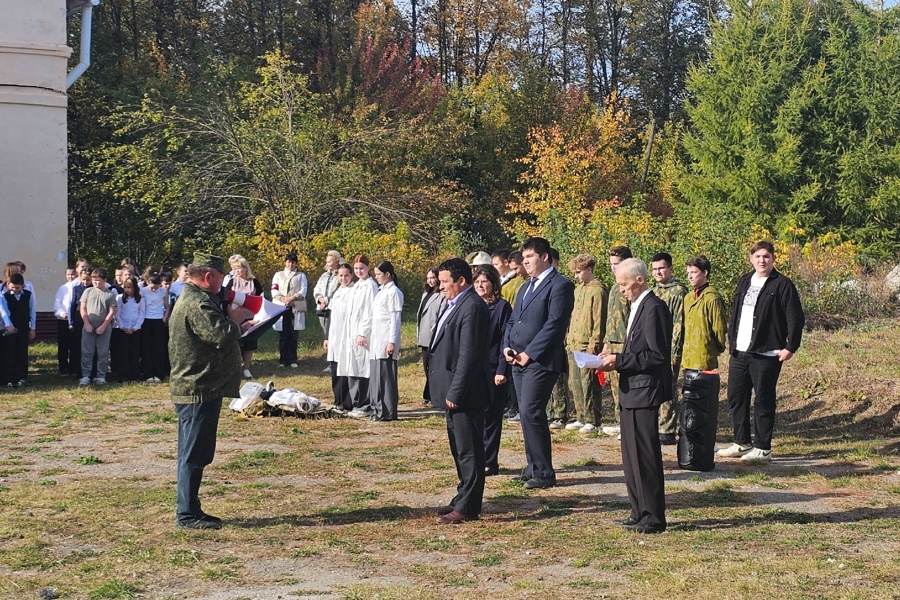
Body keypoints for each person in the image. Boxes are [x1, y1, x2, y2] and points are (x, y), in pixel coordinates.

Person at [169, 252, 244, 530]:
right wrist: (236, 321)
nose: (223, 282)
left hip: (200, 387)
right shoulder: (197, 303)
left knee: (195, 452)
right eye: (221, 277)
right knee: (193, 454)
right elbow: (220, 334)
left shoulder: (195, 299)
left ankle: (192, 508)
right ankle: (187, 514)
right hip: (197, 389)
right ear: (209, 276)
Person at [598, 258, 671, 534]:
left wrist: (620, 360)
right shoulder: (637, 306)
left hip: (644, 390)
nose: (621, 290)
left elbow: (656, 355)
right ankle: (638, 510)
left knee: (645, 455)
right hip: (631, 390)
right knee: (630, 455)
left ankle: (653, 516)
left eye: (624, 284)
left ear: (640, 280)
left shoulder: (654, 307)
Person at [718, 241, 805, 462]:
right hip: (740, 352)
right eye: (757, 256)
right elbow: (735, 314)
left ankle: (762, 447)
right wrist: (732, 342)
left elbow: (795, 317)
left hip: (767, 352)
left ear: (773, 259)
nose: (762, 260)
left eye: (766, 256)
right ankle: (742, 442)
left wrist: (790, 347)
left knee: (763, 400)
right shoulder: (745, 281)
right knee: (736, 397)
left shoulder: (783, 285)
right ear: (751, 259)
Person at [502, 237, 575, 489]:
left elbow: (554, 325)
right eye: (523, 258)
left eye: (530, 257)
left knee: (533, 411)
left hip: (541, 361)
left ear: (544, 256)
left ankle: (544, 472)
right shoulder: (525, 287)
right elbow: (513, 320)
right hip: (517, 359)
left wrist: (529, 354)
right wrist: (508, 347)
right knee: (525, 414)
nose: (525, 262)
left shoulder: (560, 285)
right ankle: (532, 466)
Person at [430, 257, 492, 524]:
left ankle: (468, 506)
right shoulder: (456, 304)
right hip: (454, 391)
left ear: (461, 281)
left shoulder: (473, 307)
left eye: (445, 282)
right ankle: (463, 495)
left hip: (467, 393)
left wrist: (456, 391)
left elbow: (469, 355)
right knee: (459, 449)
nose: (440, 287)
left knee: (470, 451)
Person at [472, 264, 511, 477]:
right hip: (475, 370)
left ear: (493, 284)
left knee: (492, 419)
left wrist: (502, 371)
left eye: (483, 282)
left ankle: (490, 461)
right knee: (477, 418)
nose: (479, 285)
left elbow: (506, 338)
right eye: (476, 282)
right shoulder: (472, 305)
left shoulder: (502, 307)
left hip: (495, 369)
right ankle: (477, 458)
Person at [565, 253, 608, 434]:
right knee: (574, 383)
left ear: (589, 270)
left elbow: (599, 320)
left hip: (587, 344)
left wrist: (594, 343)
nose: (576, 276)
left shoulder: (598, 291)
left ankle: (592, 419)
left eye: (578, 272)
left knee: (588, 383)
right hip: (574, 342)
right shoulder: (578, 290)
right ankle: (581, 416)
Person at [650, 252, 689, 445]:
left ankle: (668, 428)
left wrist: (673, 352)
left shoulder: (678, 291)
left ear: (671, 269)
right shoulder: (653, 290)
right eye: (655, 269)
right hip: (652, 349)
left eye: (662, 268)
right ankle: (656, 424)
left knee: (668, 386)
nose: (658, 272)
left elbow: (678, 324)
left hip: (669, 348)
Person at [600, 246, 632, 437]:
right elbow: (611, 318)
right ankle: (619, 422)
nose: (613, 268)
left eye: (617, 264)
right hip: (612, 342)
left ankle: (628, 424)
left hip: (625, 343)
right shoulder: (614, 288)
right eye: (611, 264)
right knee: (614, 388)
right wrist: (606, 342)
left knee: (625, 387)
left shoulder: (630, 287)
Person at [368, 261, 404, 421]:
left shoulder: (394, 292)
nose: (376, 278)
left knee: (386, 377)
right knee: (376, 377)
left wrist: (392, 341)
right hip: (376, 340)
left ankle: (387, 412)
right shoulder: (382, 291)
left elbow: (395, 319)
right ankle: (377, 409)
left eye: (378, 274)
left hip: (385, 339)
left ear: (388, 274)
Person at [345, 256, 379, 418]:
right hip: (352, 333)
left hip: (363, 335)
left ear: (368, 267)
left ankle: (365, 404)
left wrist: (363, 333)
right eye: (356, 268)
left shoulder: (371, 286)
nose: (359, 271)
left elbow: (369, 312)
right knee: (354, 367)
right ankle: (355, 401)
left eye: (362, 268)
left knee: (363, 369)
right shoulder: (357, 285)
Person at [682, 255, 728, 373]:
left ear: (705, 273)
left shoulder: (712, 298)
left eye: (694, 272)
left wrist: (714, 349)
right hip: (687, 358)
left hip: (704, 356)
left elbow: (719, 328)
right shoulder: (688, 298)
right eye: (688, 273)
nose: (690, 276)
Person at [547, 248, 575, 429]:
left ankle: (561, 413)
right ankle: (551, 411)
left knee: (560, 378)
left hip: (562, 337)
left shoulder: (563, 284)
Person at [223, 255, 264, 379]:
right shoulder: (232, 281)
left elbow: (261, 298)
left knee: (249, 343)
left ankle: (246, 368)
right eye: (235, 269)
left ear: (246, 268)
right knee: (235, 342)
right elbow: (225, 298)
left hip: (250, 316)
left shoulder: (254, 282)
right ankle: (234, 367)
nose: (238, 271)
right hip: (235, 316)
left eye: (240, 268)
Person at [78, 268, 117, 386]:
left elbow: (112, 311)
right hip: (88, 327)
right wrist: (87, 323)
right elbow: (82, 308)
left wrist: (103, 326)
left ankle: (101, 376)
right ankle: (86, 375)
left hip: (104, 328)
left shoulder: (110, 294)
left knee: (102, 353)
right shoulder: (88, 292)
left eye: (98, 280)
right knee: (87, 352)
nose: (96, 282)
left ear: (105, 280)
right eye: (94, 280)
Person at [324, 263, 354, 411]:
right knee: (335, 369)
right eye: (340, 276)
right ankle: (337, 400)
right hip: (334, 336)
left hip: (346, 336)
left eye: (346, 275)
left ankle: (347, 402)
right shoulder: (337, 292)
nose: (343, 278)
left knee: (344, 370)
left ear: (351, 275)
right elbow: (330, 316)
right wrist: (327, 337)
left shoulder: (353, 291)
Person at [271, 252, 308, 368]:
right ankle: (283, 360)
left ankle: (293, 359)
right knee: (283, 334)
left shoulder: (301, 275)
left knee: (293, 334)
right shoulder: (278, 275)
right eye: (289, 262)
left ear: (296, 263)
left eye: (293, 262)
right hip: (281, 307)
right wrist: (284, 299)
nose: (291, 264)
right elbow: (274, 289)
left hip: (295, 307)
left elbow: (303, 290)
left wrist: (292, 298)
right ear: (285, 262)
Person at [416, 266, 445, 406]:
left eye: (433, 278)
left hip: (433, 335)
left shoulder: (442, 294)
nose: (430, 281)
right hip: (424, 335)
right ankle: (428, 393)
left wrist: (437, 324)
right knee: (426, 366)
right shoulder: (425, 294)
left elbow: (442, 312)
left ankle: (433, 394)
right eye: (428, 278)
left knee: (433, 367)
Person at [1, 272, 36, 387]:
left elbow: (32, 311)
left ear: (22, 286)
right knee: (10, 351)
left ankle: (21, 377)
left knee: (22, 350)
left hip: (24, 326)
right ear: (8, 285)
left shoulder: (28, 295)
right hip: (11, 326)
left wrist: (33, 328)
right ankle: (9, 378)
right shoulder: (5, 296)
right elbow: (5, 312)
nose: (15, 290)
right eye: (13, 287)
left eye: (18, 287)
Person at [112, 275, 145, 382]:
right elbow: (118, 314)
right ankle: (123, 375)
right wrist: (122, 326)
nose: (127, 290)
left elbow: (141, 314)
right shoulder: (120, 298)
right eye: (125, 287)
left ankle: (134, 375)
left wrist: (135, 328)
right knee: (123, 352)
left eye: (129, 287)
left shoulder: (140, 299)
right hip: (124, 329)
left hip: (135, 330)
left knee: (134, 352)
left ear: (134, 288)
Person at [142, 272, 171, 383]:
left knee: (158, 348)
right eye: (151, 288)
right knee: (147, 348)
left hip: (158, 320)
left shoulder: (163, 291)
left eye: (156, 287)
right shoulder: (143, 291)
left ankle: (159, 373)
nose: (153, 290)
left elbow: (167, 306)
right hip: (146, 320)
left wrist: (164, 319)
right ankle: (148, 373)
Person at [313, 250, 343, 338]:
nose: (327, 264)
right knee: (325, 332)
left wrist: (326, 301)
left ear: (336, 262)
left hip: (333, 308)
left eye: (329, 262)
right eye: (326, 262)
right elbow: (317, 288)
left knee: (334, 333)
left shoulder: (340, 275)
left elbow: (338, 290)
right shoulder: (324, 275)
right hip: (322, 308)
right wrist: (320, 299)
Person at [53, 267, 78, 376]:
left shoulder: (79, 287)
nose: (70, 276)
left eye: (73, 274)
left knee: (75, 345)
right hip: (63, 320)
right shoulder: (63, 288)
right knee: (63, 345)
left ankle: (73, 368)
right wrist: (61, 313)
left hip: (76, 320)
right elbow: (57, 304)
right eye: (68, 274)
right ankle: (63, 368)